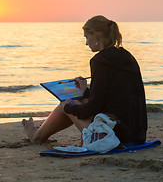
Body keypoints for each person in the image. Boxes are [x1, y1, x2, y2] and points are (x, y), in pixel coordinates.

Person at [22, 15, 147, 145]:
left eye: (87, 37)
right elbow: (114, 97)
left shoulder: (100, 60)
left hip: (115, 137)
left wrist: (68, 107)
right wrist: (86, 92)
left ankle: (36, 136)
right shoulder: (126, 55)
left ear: (97, 35)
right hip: (136, 133)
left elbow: (92, 108)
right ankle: (39, 133)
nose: (86, 43)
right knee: (78, 100)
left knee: (66, 103)